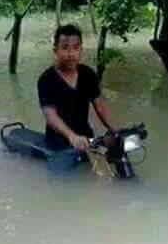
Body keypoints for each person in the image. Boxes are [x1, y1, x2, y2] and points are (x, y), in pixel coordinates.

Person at [38, 24, 116, 152]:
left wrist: (113, 129)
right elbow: (50, 115)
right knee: (64, 171)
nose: (71, 53)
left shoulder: (88, 74)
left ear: (81, 50)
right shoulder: (46, 79)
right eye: (64, 48)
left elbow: (100, 105)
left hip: (86, 138)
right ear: (55, 50)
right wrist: (72, 136)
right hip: (58, 143)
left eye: (75, 48)